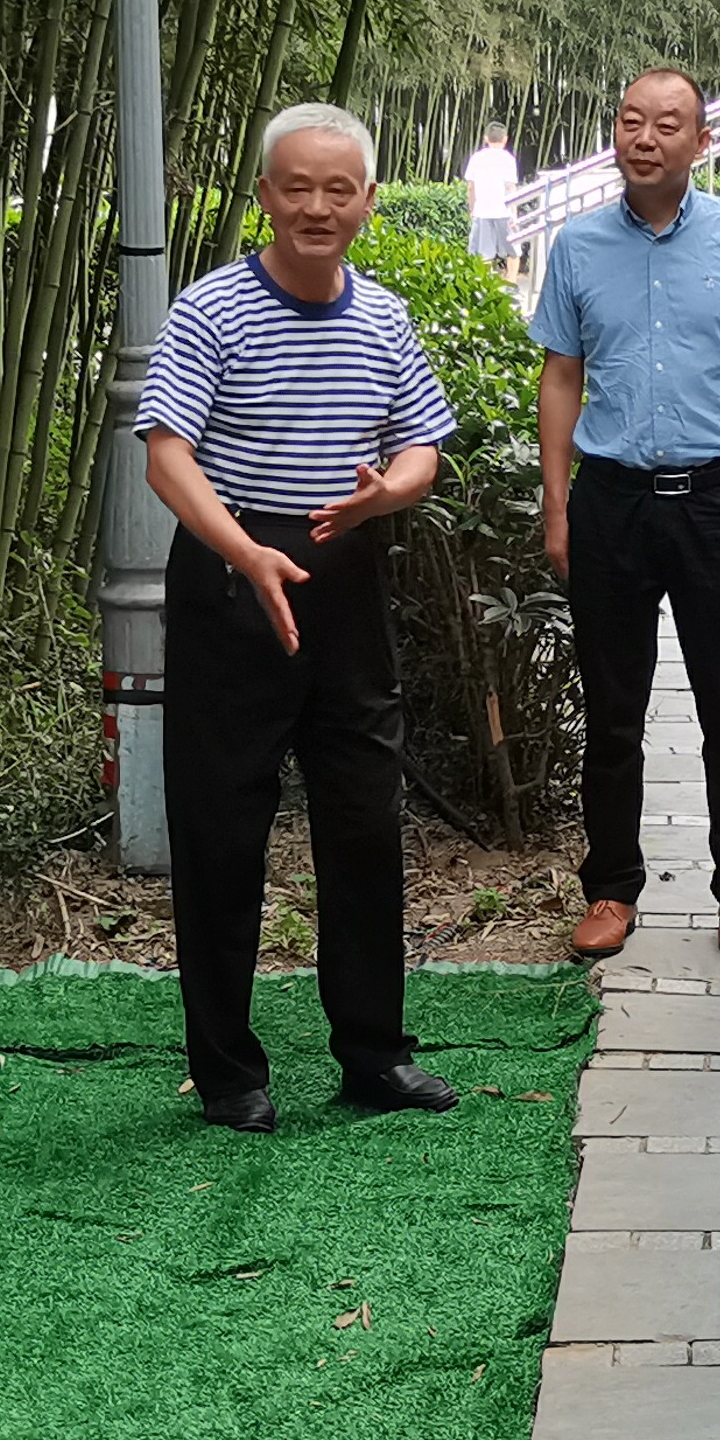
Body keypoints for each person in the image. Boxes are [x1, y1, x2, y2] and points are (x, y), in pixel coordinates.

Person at [136, 105, 464, 1131]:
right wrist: (243, 552)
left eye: (338, 189)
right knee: (221, 827)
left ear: (367, 202)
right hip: (230, 575)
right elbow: (166, 455)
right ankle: (228, 1070)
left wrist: (387, 493)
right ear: (265, 196)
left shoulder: (384, 318)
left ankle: (374, 1053)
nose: (317, 207)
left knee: (364, 818)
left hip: (344, 572)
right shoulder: (212, 309)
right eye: (297, 188)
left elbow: (421, 446)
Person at [534, 67, 720, 965]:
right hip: (610, 501)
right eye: (630, 121)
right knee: (612, 710)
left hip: (716, 500)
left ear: (701, 141)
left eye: (666, 124)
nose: (644, 138)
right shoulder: (578, 245)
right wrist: (556, 503)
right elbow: (561, 376)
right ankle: (612, 887)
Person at [462, 123, 521, 267]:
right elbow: (511, 188)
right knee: (513, 251)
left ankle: (486, 281)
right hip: (504, 211)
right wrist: (514, 213)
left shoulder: (476, 158)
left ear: (485, 138)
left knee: (484, 254)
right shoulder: (508, 159)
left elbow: (470, 187)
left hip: (482, 212)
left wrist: (472, 209)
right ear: (505, 139)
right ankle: (511, 280)